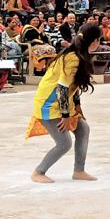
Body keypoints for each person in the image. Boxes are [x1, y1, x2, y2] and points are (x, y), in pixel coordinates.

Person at [29, 24, 101, 183]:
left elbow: (73, 87)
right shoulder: (73, 58)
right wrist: (66, 116)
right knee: (64, 143)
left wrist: (76, 108)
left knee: (83, 129)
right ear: (95, 41)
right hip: (48, 104)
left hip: (62, 103)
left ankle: (79, 171)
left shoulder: (79, 55)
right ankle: (38, 172)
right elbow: (62, 88)